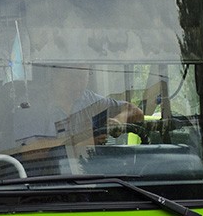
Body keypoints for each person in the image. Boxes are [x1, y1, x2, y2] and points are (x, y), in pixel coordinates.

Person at [14, 65, 143, 172]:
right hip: (45, 184)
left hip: (87, 177)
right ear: (54, 75)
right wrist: (80, 140)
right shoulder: (31, 106)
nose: (77, 84)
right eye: (71, 77)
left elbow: (136, 112)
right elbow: (29, 153)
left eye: (82, 77)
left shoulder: (91, 101)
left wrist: (119, 121)